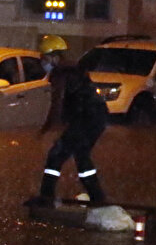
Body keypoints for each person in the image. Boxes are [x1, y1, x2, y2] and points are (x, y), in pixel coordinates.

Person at [26, 34, 110, 207]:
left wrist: (47, 129)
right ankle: (97, 197)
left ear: (55, 57)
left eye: (45, 57)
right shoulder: (75, 69)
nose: (43, 62)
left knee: (56, 155)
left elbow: (57, 104)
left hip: (85, 119)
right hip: (97, 117)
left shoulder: (60, 74)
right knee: (81, 155)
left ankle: (46, 197)